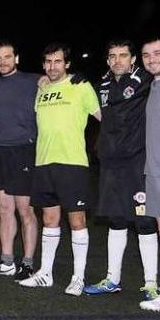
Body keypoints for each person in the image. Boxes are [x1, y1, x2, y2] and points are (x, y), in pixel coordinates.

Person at [19, 43, 101, 296]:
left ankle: (78, 277)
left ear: (67, 64)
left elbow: (104, 118)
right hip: (44, 163)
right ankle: (45, 273)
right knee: (50, 219)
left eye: (57, 61)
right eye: (48, 62)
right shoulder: (42, 89)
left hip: (73, 163)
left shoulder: (80, 86)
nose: (52, 66)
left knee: (77, 220)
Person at [83, 39, 160, 300]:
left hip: (138, 163)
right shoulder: (102, 85)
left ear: (133, 58)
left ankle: (151, 283)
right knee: (116, 220)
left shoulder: (148, 79)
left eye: (123, 55)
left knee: (145, 220)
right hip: (111, 164)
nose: (118, 60)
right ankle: (112, 279)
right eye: (113, 56)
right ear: (107, 61)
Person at [0, 41, 41, 280]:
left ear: (17, 58)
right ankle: (7, 262)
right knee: (4, 209)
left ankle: (27, 263)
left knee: (25, 211)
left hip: (24, 151)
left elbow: (60, 80)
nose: (2, 62)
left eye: (7, 57)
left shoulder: (35, 80)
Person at [140, 36, 160, 311]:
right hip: (157, 171)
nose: (153, 59)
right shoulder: (154, 85)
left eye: (158, 53)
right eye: (147, 55)